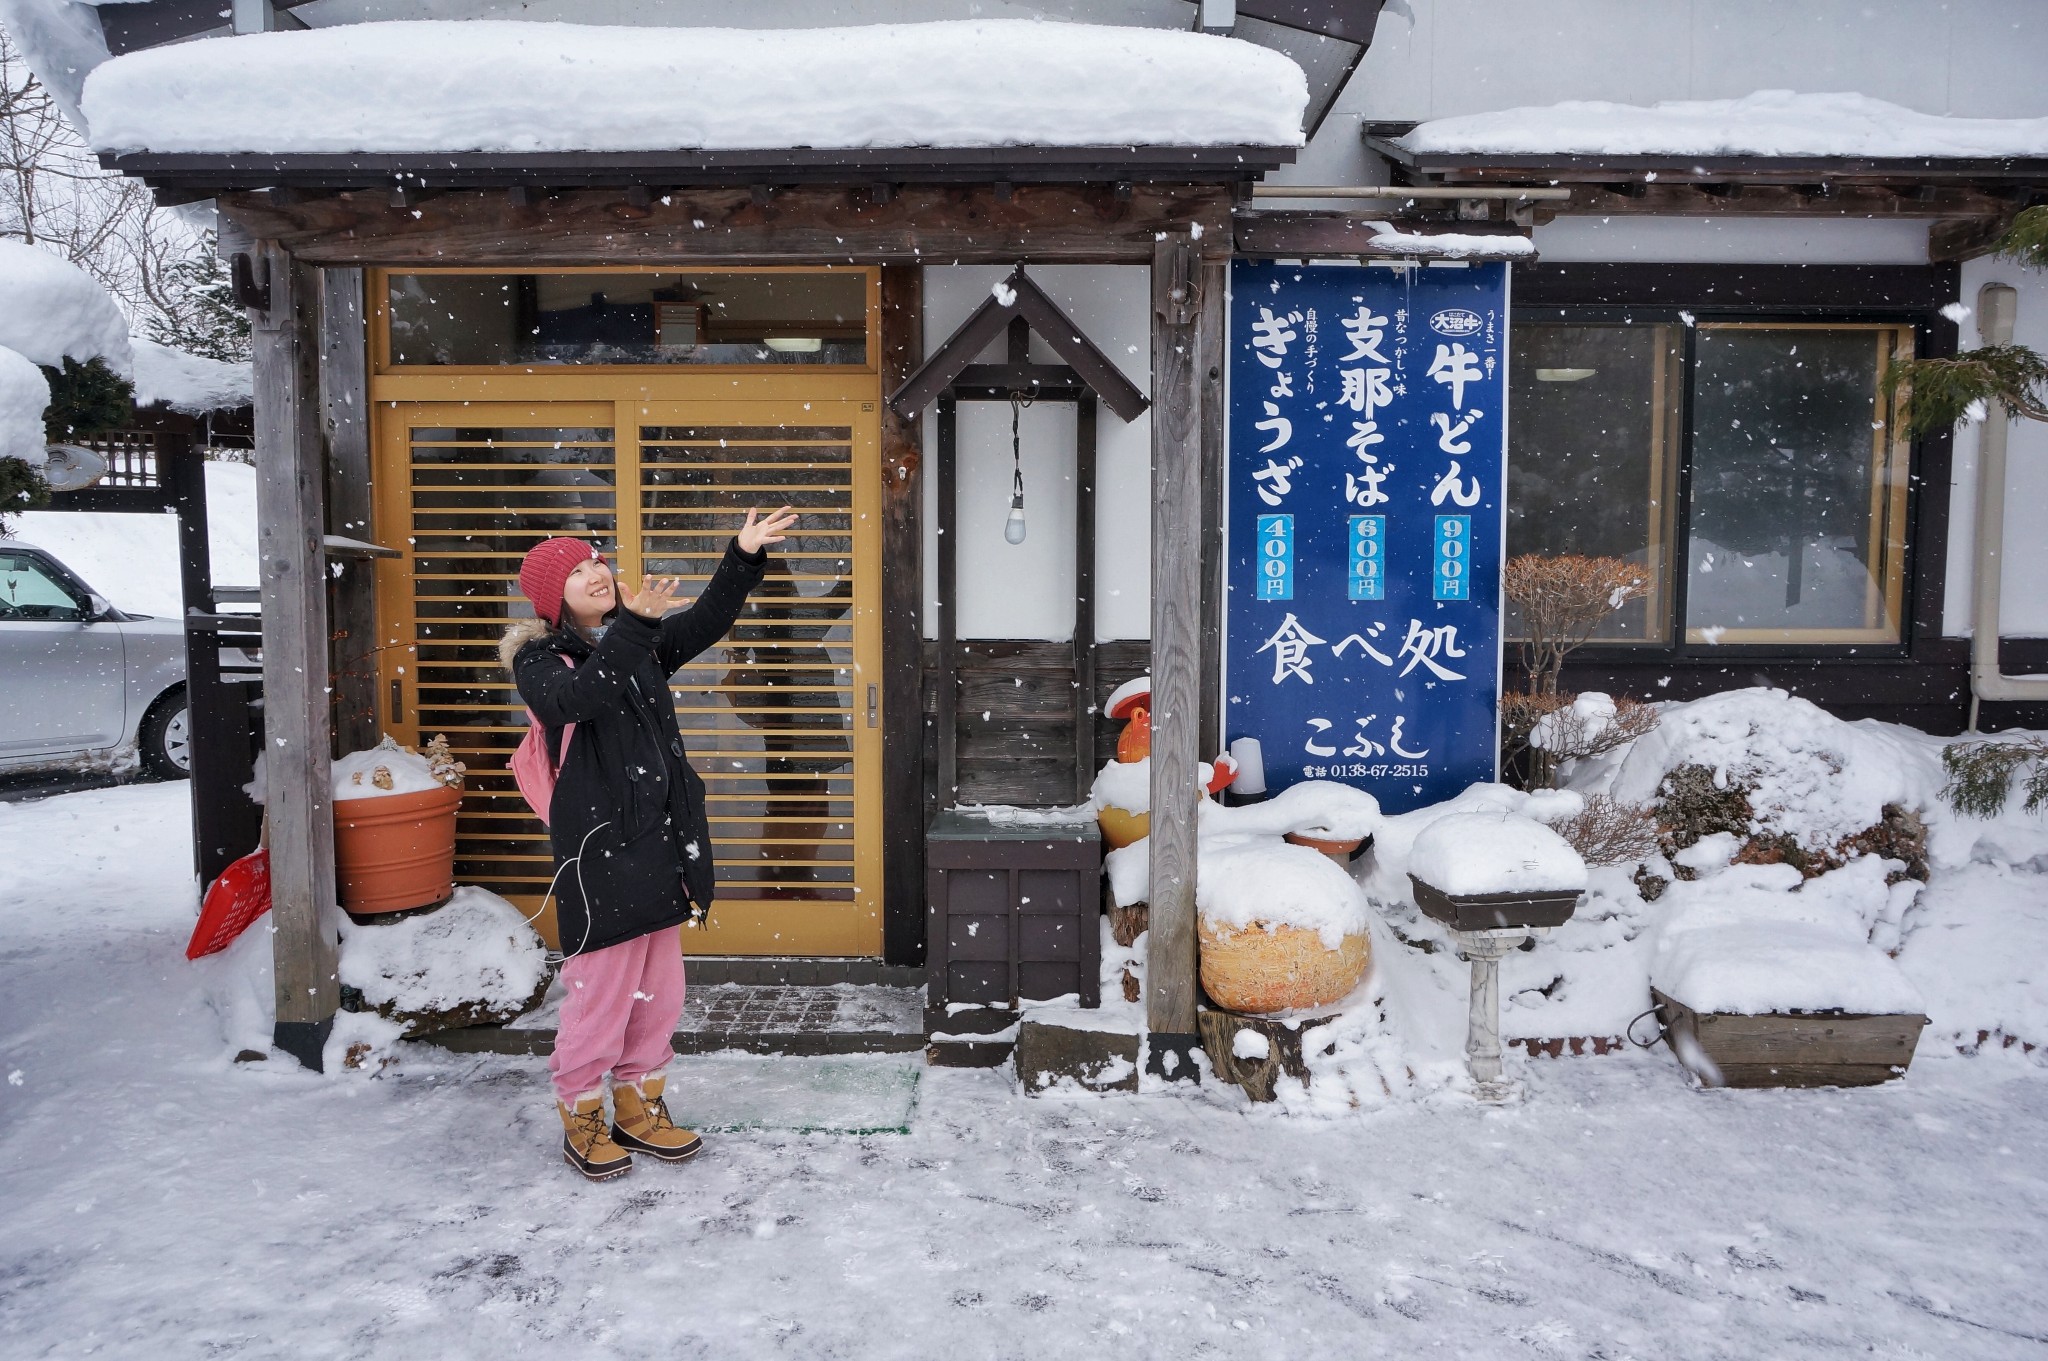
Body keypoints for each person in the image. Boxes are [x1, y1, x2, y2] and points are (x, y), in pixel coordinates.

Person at [500, 506, 798, 1181]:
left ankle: (639, 1108)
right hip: (598, 858)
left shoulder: (634, 649)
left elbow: (702, 623)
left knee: (658, 994)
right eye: (577, 571)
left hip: (658, 849)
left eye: (596, 560)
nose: (596, 572)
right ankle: (582, 1116)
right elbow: (579, 696)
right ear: (553, 598)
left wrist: (741, 556)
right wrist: (633, 628)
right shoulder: (541, 659)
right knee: (601, 995)